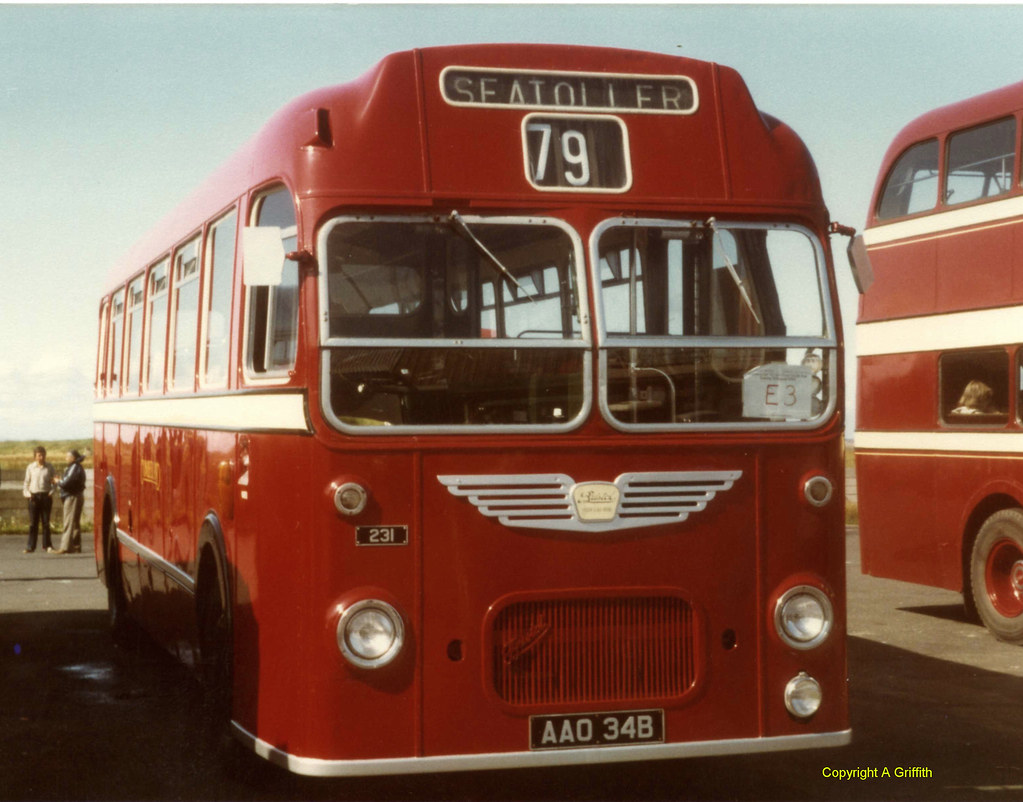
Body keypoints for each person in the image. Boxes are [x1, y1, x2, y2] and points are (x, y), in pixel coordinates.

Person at [51, 450, 86, 555]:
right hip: (77, 495)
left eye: (67, 456)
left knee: (68, 522)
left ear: (73, 458)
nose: (66, 458)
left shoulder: (74, 467)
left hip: (71, 496)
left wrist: (58, 481)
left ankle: (65, 547)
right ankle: (76, 546)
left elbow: (66, 483)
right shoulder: (77, 467)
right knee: (74, 522)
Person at [22, 446, 56, 553]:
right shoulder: (30, 467)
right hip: (34, 497)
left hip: (46, 496)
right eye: (39, 455)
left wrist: (51, 492)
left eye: (43, 455)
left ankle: (47, 545)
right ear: (35, 457)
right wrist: (28, 494)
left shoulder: (49, 467)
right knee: (33, 523)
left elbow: (54, 481)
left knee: (46, 523)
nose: (41, 457)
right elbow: (26, 483)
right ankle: (30, 546)